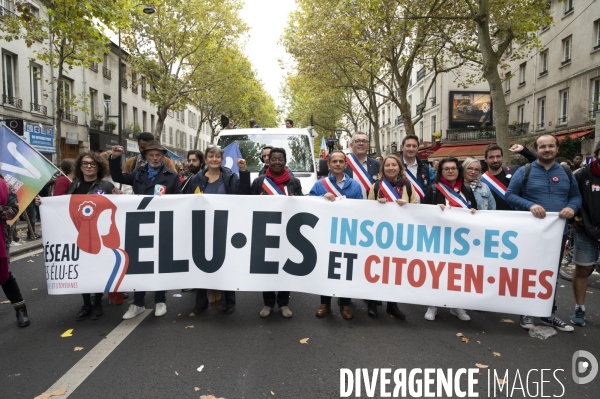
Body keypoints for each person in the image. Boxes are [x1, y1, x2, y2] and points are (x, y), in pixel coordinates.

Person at [506, 134, 582, 332]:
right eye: (542, 147)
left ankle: (547, 312)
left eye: (550, 146)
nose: (546, 150)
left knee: (551, 274)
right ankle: (526, 312)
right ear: (536, 149)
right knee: (529, 273)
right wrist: (530, 205)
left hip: (558, 233)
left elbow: (576, 196)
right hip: (531, 234)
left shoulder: (566, 172)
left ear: (557, 148)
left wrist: (572, 208)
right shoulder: (525, 171)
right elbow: (510, 195)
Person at [37, 152, 116, 320]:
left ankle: (97, 304)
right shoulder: (74, 185)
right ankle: (86, 304)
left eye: (93, 164)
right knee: (82, 270)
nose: (89, 166)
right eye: (85, 163)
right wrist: (42, 202)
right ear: (80, 166)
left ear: (99, 167)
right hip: (77, 234)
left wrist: (121, 198)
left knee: (95, 270)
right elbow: (61, 206)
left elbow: (116, 209)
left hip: (97, 236)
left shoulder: (106, 186)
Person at [110, 140, 182, 319]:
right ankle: (138, 303)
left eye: (158, 155)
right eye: (151, 155)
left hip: (162, 227)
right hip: (140, 226)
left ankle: (160, 300)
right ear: (146, 157)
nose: (155, 158)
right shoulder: (137, 173)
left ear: (163, 156)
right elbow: (118, 176)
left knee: (159, 264)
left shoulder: (172, 177)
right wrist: (115, 158)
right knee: (139, 265)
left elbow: (180, 202)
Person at [185, 145, 250, 315]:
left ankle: (229, 302)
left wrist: (243, 172)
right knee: (202, 266)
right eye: (211, 156)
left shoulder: (230, 177)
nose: (214, 159)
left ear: (222, 159)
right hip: (203, 228)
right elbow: (185, 200)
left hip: (225, 227)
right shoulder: (196, 179)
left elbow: (243, 194)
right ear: (206, 159)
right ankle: (200, 304)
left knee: (225, 265)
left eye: (217, 156)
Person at [247, 147, 303, 318]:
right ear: (268, 161)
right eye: (274, 159)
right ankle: (268, 303)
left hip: (288, 232)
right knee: (268, 268)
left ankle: (284, 303)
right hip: (265, 232)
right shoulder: (259, 182)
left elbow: (301, 204)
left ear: (285, 161)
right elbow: (249, 204)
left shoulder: (293, 182)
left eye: (280, 159)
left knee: (285, 268)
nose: (277, 162)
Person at [309, 151, 362, 320]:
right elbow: (309, 204)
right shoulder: (319, 185)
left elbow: (361, 211)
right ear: (329, 164)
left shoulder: (355, 186)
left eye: (341, 161)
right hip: (325, 233)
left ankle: (345, 303)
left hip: (347, 234)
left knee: (346, 269)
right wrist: (321, 198)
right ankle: (324, 303)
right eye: (335, 161)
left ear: (346, 165)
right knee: (326, 268)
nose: (338, 164)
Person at [423, 156, 477, 322]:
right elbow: (423, 213)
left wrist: (474, 211)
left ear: (458, 170)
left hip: (461, 241)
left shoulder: (466, 189)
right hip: (439, 238)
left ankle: (456, 305)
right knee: (437, 272)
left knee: (458, 273)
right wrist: (434, 210)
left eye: (453, 168)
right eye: (446, 169)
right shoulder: (434, 189)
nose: (450, 171)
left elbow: (475, 208)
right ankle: (433, 304)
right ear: (441, 172)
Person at [367, 154, 419, 320]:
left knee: (394, 272)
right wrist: (377, 205)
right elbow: (367, 210)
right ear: (383, 169)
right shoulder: (376, 187)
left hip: (399, 237)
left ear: (399, 168)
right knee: (375, 271)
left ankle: (392, 305)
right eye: (387, 165)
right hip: (378, 236)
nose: (390, 168)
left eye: (394, 165)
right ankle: (373, 303)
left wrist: (407, 206)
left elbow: (417, 209)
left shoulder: (408, 187)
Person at [571, 142, 600, 326]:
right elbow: (572, 197)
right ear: (597, 153)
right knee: (582, 270)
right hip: (586, 231)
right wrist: (576, 220)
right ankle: (579, 308)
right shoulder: (582, 174)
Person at [0, 174, 30, 327]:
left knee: (4, 273)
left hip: (0, 237)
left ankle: (20, 309)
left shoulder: (5, 186)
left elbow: (13, 211)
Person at [480, 143, 536, 211]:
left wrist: (523, 151)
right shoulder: (481, 181)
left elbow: (538, 165)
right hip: (496, 219)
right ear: (485, 159)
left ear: (502, 157)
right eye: (491, 157)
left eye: (498, 156)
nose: (495, 160)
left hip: (518, 217)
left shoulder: (514, 171)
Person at [344, 132, 380, 199]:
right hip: (349, 206)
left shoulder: (377, 165)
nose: (361, 144)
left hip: (371, 207)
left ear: (368, 145)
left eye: (364, 141)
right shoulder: (342, 164)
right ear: (351, 145)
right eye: (357, 141)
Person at [399, 135, 431, 202]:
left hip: (421, 209)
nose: (411, 149)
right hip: (400, 208)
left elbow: (430, 189)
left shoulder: (425, 168)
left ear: (417, 148)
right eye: (408, 146)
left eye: (414, 146)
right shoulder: (395, 167)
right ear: (402, 147)